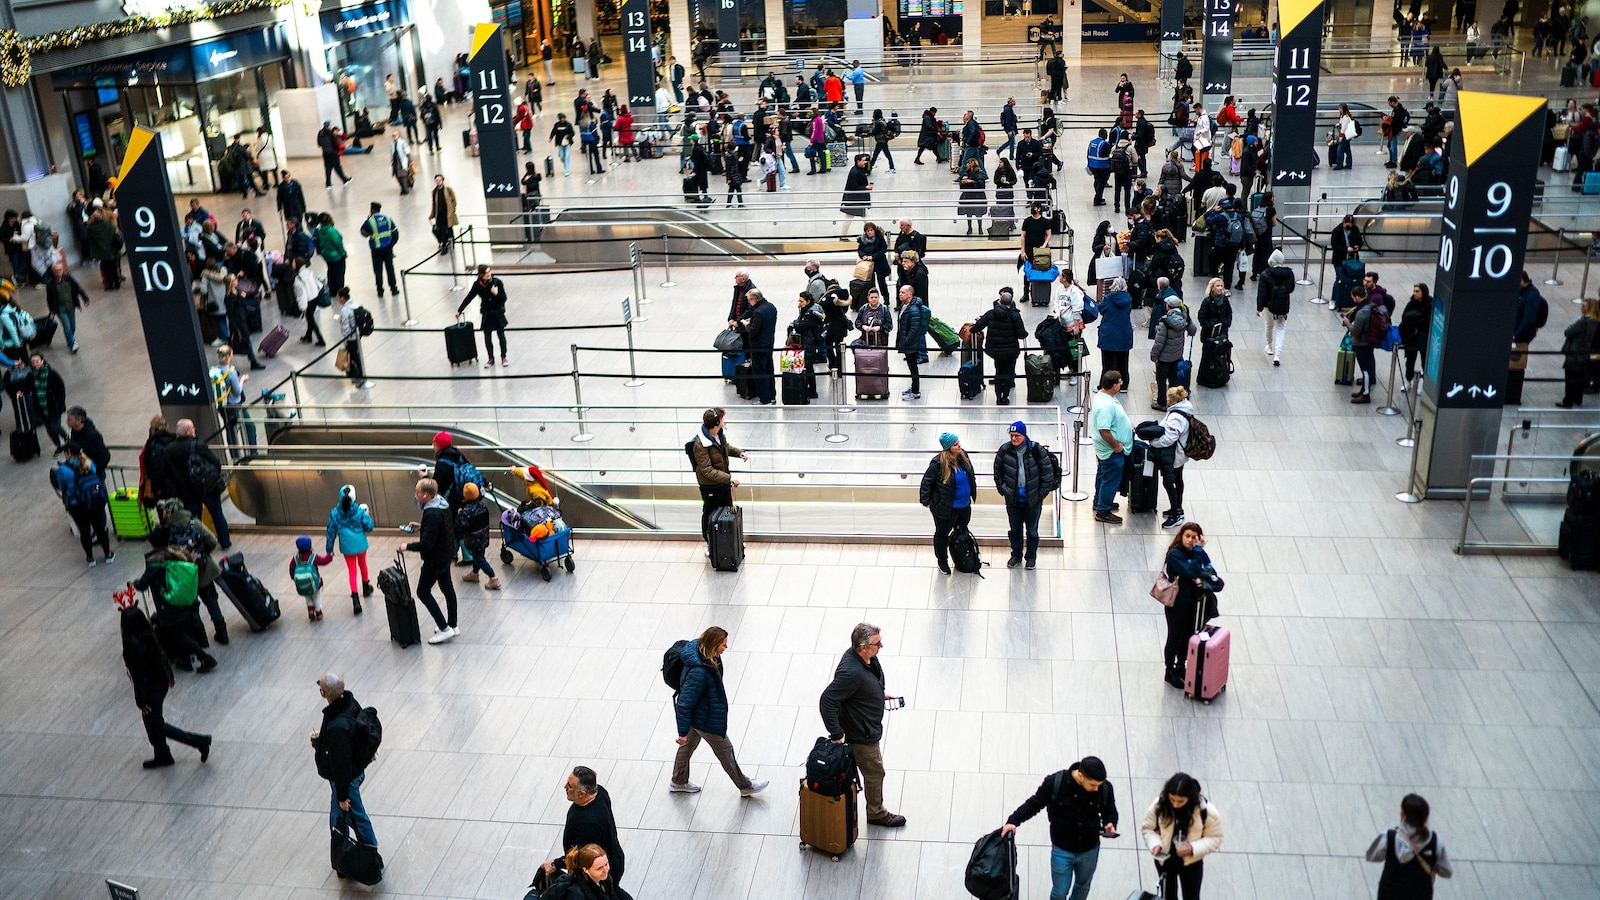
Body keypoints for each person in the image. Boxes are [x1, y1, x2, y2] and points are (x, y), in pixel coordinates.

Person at [819, 623, 906, 827]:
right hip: (861, 734)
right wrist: (837, 734)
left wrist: (877, 696)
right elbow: (827, 700)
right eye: (877, 643)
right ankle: (876, 813)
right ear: (863, 647)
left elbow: (859, 688)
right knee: (875, 772)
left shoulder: (864, 659)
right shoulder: (852, 672)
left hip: (865, 724)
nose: (881, 646)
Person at [668, 626, 769, 796]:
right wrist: (682, 732)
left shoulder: (703, 653)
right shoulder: (699, 672)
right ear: (713, 645)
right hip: (705, 718)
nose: (726, 647)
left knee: (686, 748)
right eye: (723, 644)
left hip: (698, 715)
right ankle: (745, 786)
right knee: (726, 750)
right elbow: (684, 703)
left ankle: (678, 781)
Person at [1000, 756, 1120, 900]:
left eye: (1099, 785)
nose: (1096, 789)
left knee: (1082, 886)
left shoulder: (1105, 788)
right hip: (1062, 850)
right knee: (1060, 892)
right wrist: (1013, 821)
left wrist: (1110, 823)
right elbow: (1034, 804)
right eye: (1093, 785)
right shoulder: (1056, 783)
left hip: (1090, 850)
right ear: (1080, 775)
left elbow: (1110, 811)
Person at [118, 602, 211, 769]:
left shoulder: (132, 645)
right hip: (160, 683)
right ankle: (163, 753)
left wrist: (141, 699)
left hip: (151, 690)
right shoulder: (149, 635)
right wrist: (170, 675)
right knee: (154, 724)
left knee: (154, 724)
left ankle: (197, 742)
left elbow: (140, 676)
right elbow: (161, 654)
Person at [130, 527, 217, 673]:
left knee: (178, 635)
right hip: (184, 598)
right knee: (182, 630)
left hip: (169, 603)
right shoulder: (177, 552)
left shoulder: (156, 560)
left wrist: (135, 583)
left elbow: (144, 583)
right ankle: (186, 660)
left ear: (152, 544)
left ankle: (205, 658)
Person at [313, 673, 378, 850]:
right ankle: (341, 849)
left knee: (355, 815)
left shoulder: (337, 726)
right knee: (337, 815)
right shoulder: (349, 703)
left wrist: (343, 795)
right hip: (353, 771)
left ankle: (370, 850)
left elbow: (341, 764)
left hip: (347, 779)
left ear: (322, 693)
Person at [1140, 772, 1224, 900]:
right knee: (1167, 896)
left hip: (1192, 864)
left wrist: (1193, 848)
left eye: (1180, 801)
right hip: (1165, 861)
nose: (1175, 804)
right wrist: (1155, 844)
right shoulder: (1159, 805)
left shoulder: (1205, 810)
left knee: (1192, 897)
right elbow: (1148, 828)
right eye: (1172, 799)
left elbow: (1216, 837)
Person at [541, 767, 627, 886]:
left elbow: (580, 857)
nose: (565, 787)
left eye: (570, 786)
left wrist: (554, 864)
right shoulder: (600, 792)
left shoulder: (589, 824)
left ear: (582, 794)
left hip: (600, 875)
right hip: (613, 858)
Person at [1160, 522, 1218, 686]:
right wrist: (1198, 553)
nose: (1191, 540)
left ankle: (1180, 665)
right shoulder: (1175, 554)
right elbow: (1191, 571)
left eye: (1195, 537)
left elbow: (1209, 571)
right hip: (1177, 603)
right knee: (1175, 636)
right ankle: (1169, 669)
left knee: (1188, 636)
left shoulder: (1200, 554)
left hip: (1195, 603)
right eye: (1188, 536)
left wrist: (1203, 577)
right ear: (1181, 536)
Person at [994, 421, 1058, 569]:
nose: (1014, 439)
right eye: (1011, 435)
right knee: (1015, 529)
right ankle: (1016, 555)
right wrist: (1005, 490)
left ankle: (1031, 557)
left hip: (1033, 500)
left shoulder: (1036, 450)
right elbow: (998, 474)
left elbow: (1047, 474)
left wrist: (1040, 494)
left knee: (1032, 531)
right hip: (1013, 500)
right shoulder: (1004, 451)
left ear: (1024, 435)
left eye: (1017, 435)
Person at [403, 478, 460, 644]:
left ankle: (444, 629)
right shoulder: (442, 504)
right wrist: (422, 526)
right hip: (446, 554)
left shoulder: (432, 513)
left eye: (418, 493)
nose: (416, 496)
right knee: (447, 588)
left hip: (434, 559)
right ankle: (453, 625)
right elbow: (440, 527)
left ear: (426, 495)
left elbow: (426, 544)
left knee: (423, 591)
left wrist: (407, 546)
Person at [1366, 794, 1453, 899]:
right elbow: (1447, 872)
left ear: (1403, 814)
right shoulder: (1435, 841)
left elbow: (1371, 856)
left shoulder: (1389, 837)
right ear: (1426, 817)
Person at [689, 407, 746, 555]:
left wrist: (739, 453)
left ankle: (730, 539)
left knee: (727, 510)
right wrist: (729, 477)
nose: (724, 420)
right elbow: (707, 470)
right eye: (722, 419)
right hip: (710, 486)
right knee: (709, 513)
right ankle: (709, 542)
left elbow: (726, 448)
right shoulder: (700, 444)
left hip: (723, 483)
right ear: (716, 422)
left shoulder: (719, 435)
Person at [920, 432, 976, 574]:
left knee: (962, 531)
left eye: (959, 443)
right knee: (942, 534)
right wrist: (929, 503)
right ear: (948, 447)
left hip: (964, 506)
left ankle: (961, 555)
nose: (959, 446)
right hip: (946, 509)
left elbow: (970, 475)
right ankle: (942, 561)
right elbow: (926, 482)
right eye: (956, 445)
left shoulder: (963, 456)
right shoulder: (938, 462)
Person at [55, 443, 113, 565]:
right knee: (100, 528)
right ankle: (108, 554)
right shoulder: (89, 463)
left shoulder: (63, 470)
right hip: (93, 501)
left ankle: (90, 558)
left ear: (69, 454)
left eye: (65, 453)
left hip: (76, 505)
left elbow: (62, 486)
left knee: (84, 530)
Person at [1148, 386, 1195, 529]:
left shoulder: (1176, 417)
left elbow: (1169, 438)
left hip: (1175, 455)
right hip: (1180, 454)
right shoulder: (1184, 409)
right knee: (1178, 480)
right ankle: (1177, 508)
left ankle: (1176, 513)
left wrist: (1153, 442)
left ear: (1172, 400)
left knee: (1169, 483)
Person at [969, 289, 1027, 404]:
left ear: (1000, 300)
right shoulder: (1015, 315)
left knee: (998, 372)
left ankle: (998, 397)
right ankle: (1005, 397)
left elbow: (976, 328)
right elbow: (1021, 335)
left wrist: (973, 327)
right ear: (1011, 302)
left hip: (995, 350)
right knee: (1008, 373)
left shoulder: (991, 313)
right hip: (1010, 351)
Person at [324, 484, 375, 613]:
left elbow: (330, 532)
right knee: (363, 565)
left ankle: (355, 600)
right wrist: (367, 515)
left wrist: (329, 549)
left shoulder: (335, 513)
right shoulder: (358, 511)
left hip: (346, 546)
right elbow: (369, 527)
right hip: (360, 544)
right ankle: (366, 587)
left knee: (352, 571)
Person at [1091, 371, 1132, 524]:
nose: (1121, 384)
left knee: (1103, 475)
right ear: (1114, 385)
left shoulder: (1104, 397)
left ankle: (1099, 501)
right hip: (1110, 451)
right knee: (1110, 480)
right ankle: (1103, 511)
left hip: (1106, 451)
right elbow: (1103, 430)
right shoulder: (1105, 406)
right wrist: (1116, 446)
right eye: (1120, 382)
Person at [1151, 296, 1196, 411]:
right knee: (1173, 378)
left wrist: (1154, 356)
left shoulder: (1165, 321)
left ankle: (1161, 403)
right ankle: (1175, 400)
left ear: (1168, 306)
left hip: (1164, 357)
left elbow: (1159, 342)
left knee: (1161, 380)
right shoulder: (1183, 318)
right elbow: (1193, 330)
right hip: (1176, 354)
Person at [459, 265, 509, 368]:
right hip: (487, 313)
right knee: (487, 336)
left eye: (489, 272)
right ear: (481, 275)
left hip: (497, 312)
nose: (489, 274)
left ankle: (504, 356)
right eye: (486, 273)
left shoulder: (497, 282)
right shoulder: (478, 285)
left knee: (501, 335)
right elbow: (469, 297)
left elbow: (503, 298)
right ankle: (491, 358)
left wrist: (495, 293)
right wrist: (460, 310)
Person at [539, 844, 632, 900]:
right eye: (599, 868)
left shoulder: (605, 879)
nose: (605, 870)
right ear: (585, 870)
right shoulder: (577, 895)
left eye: (606, 864)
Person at [454, 481, 500, 589]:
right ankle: (474, 574)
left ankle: (493, 578)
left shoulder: (466, 511)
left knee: (479, 558)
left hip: (473, 540)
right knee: (478, 556)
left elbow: (460, 526)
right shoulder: (483, 506)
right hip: (483, 537)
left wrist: (459, 514)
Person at [1556, 297, 1600, 408]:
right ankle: (1577, 398)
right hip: (1586, 353)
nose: (1582, 308)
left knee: (1570, 378)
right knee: (1580, 377)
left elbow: (1568, 331)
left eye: (1584, 306)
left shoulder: (1583, 321)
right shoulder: (1595, 322)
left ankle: (1567, 401)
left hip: (1575, 352)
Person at [1343, 286, 1382, 403]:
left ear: (1356, 297)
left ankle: (1365, 394)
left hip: (1362, 343)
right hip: (1369, 341)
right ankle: (1363, 390)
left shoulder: (1361, 312)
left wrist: (1347, 323)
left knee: (1365, 369)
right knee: (1368, 367)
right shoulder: (1370, 305)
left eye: (1353, 297)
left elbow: (1355, 330)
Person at [738, 288, 778, 404]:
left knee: (760, 372)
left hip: (758, 346)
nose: (749, 303)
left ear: (754, 299)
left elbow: (753, 330)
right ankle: (772, 395)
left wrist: (746, 324)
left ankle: (764, 399)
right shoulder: (771, 307)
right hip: (769, 343)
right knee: (769, 369)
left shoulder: (758, 312)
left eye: (749, 300)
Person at [1255, 250, 1294, 367]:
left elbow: (1262, 293)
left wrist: (1259, 308)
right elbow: (1291, 289)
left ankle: (1269, 346)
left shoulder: (1265, 274)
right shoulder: (1289, 274)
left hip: (1268, 305)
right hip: (1283, 305)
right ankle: (1277, 355)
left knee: (1269, 325)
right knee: (1281, 328)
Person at [44, 259, 88, 353]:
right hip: (60, 309)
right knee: (67, 326)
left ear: (63, 270)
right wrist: (51, 309)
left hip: (71, 306)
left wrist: (85, 298)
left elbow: (78, 288)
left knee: (73, 326)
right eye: (56, 271)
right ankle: (72, 344)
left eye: (60, 270)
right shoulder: (51, 284)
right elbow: (49, 298)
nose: (58, 272)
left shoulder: (69, 279)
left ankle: (70, 340)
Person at [358, 202, 400, 299]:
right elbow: (396, 233)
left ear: (372, 209)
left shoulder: (370, 221)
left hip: (376, 250)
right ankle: (394, 289)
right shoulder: (388, 219)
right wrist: (391, 244)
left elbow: (363, 233)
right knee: (390, 269)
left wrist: (368, 219)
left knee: (378, 270)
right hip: (388, 249)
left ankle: (380, 291)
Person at [289, 535, 334, 621]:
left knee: (307, 597)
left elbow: (291, 568)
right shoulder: (313, 557)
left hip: (302, 584)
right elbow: (324, 561)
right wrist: (330, 556)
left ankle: (310, 612)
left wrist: (293, 578)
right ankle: (318, 613)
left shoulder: (295, 559)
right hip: (314, 583)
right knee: (316, 597)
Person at [896, 287, 929, 400]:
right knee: (911, 366)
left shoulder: (913, 309)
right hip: (908, 342)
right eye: (900, 292)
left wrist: (906, 341)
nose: (900, 294)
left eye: (903, 292)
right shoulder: (905, 306)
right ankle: (914, 387)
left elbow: (914, 328)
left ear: (909, 294)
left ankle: (915, 391)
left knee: (913, 366)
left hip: (911, 344)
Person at [334, 287, 371, 389]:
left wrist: (346, 340)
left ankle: (359, 377)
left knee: (354, 357)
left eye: (338, 298)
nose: (337, 300)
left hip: (351, 338)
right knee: (355, 356)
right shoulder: (355, 304)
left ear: (342, 298)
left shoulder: (345, 310)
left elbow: (345, 326)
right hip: (357, 335)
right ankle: (357, 375)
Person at [1398, 284, 1431, 385]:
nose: (1415, 293)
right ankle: (1408, 380)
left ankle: (1424, 383)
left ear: (1423, 292)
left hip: (1424, 336)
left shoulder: (1430, 304)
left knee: (1424, 360)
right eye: (1414, 291)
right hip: (1412, 336)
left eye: (1417, 291)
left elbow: (1427, 320)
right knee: (1410, 360)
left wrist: (1414, 321)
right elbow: (1404, 317)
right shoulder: (1411, 303)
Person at [839, 154, 873, 238]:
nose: (865, 162)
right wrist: (865, 187)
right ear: (858, 161)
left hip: (855, 199)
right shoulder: (855, 172)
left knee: (851, 217)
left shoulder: (858, 170)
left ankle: (843, 235)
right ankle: (872, 234)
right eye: (863, 160)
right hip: (855, 200)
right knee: (864, 217)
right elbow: (854, 187)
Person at [317, 121, 352, 187]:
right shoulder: (330, 133)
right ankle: (345, 180)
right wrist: (337, 151)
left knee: (328, 168)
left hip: (325, 153)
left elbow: (319, 144)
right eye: (330, 125)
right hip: (333, 153)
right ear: (328, 126)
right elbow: (334, 144)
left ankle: (328, 184)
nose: (331, 126)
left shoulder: (320, 133)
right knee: (337, 167)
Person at [429, 175, 459, 251]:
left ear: (442, 180)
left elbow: (454, 200)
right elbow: (434, 204)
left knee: (449, 228)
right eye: (437, 180)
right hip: (439, 214)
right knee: (441, 229)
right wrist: (432, 214)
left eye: (439, 180)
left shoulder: (448, 190)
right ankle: (444, 245)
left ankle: (451, 242)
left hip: (447, 213)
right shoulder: (434, 191)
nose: (438, 182)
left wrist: (453, 209)